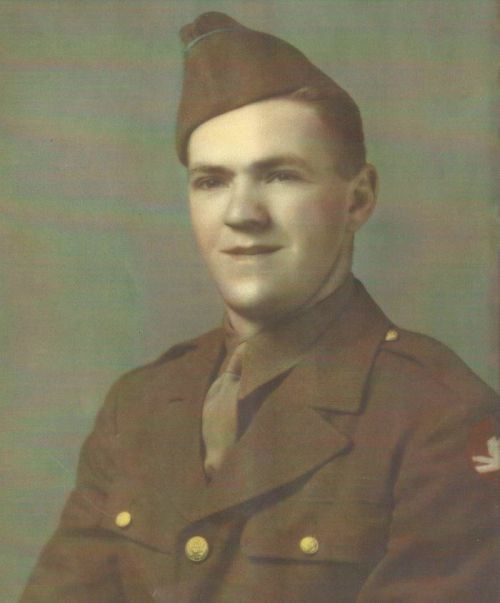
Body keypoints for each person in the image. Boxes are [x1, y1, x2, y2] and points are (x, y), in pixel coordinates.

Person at [20, 12, 500, 603]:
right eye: (211, 181)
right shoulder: (139, 406)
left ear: (358, 199)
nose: (241, 214)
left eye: (279, 175)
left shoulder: (440, 416)